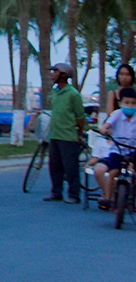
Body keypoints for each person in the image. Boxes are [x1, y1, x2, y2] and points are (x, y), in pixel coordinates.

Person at [43, 61, 86, 203]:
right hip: (55, 134)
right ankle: (56, 192)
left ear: (63, 75)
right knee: (54, 166)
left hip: (68, 136)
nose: (52, 75)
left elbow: (80, 117)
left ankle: (74, 194)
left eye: (55, 72)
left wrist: (78, 134)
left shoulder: (73, 94)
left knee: (70, 167)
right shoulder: (54, 92)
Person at [91, 84, 136, 207]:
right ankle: (107, 198)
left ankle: (132, 200)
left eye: (133, 103)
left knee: (133, 172)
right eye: (127, 103)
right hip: (118, 149)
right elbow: (107, 124)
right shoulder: (117, 114)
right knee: (113, 172)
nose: (130, 106)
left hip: (133, 150)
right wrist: (104, 129)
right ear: (120, 103)